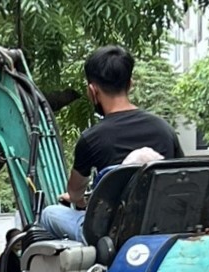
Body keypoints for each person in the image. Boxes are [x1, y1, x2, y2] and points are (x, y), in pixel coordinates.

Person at [40, 45, 184, 243]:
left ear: (92, 91)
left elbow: (74, 193)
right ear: (130, 84)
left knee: (49, 213)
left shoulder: (91, 139)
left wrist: (79, 199)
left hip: (111, 236)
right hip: (160, 228)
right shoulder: (165, 130)